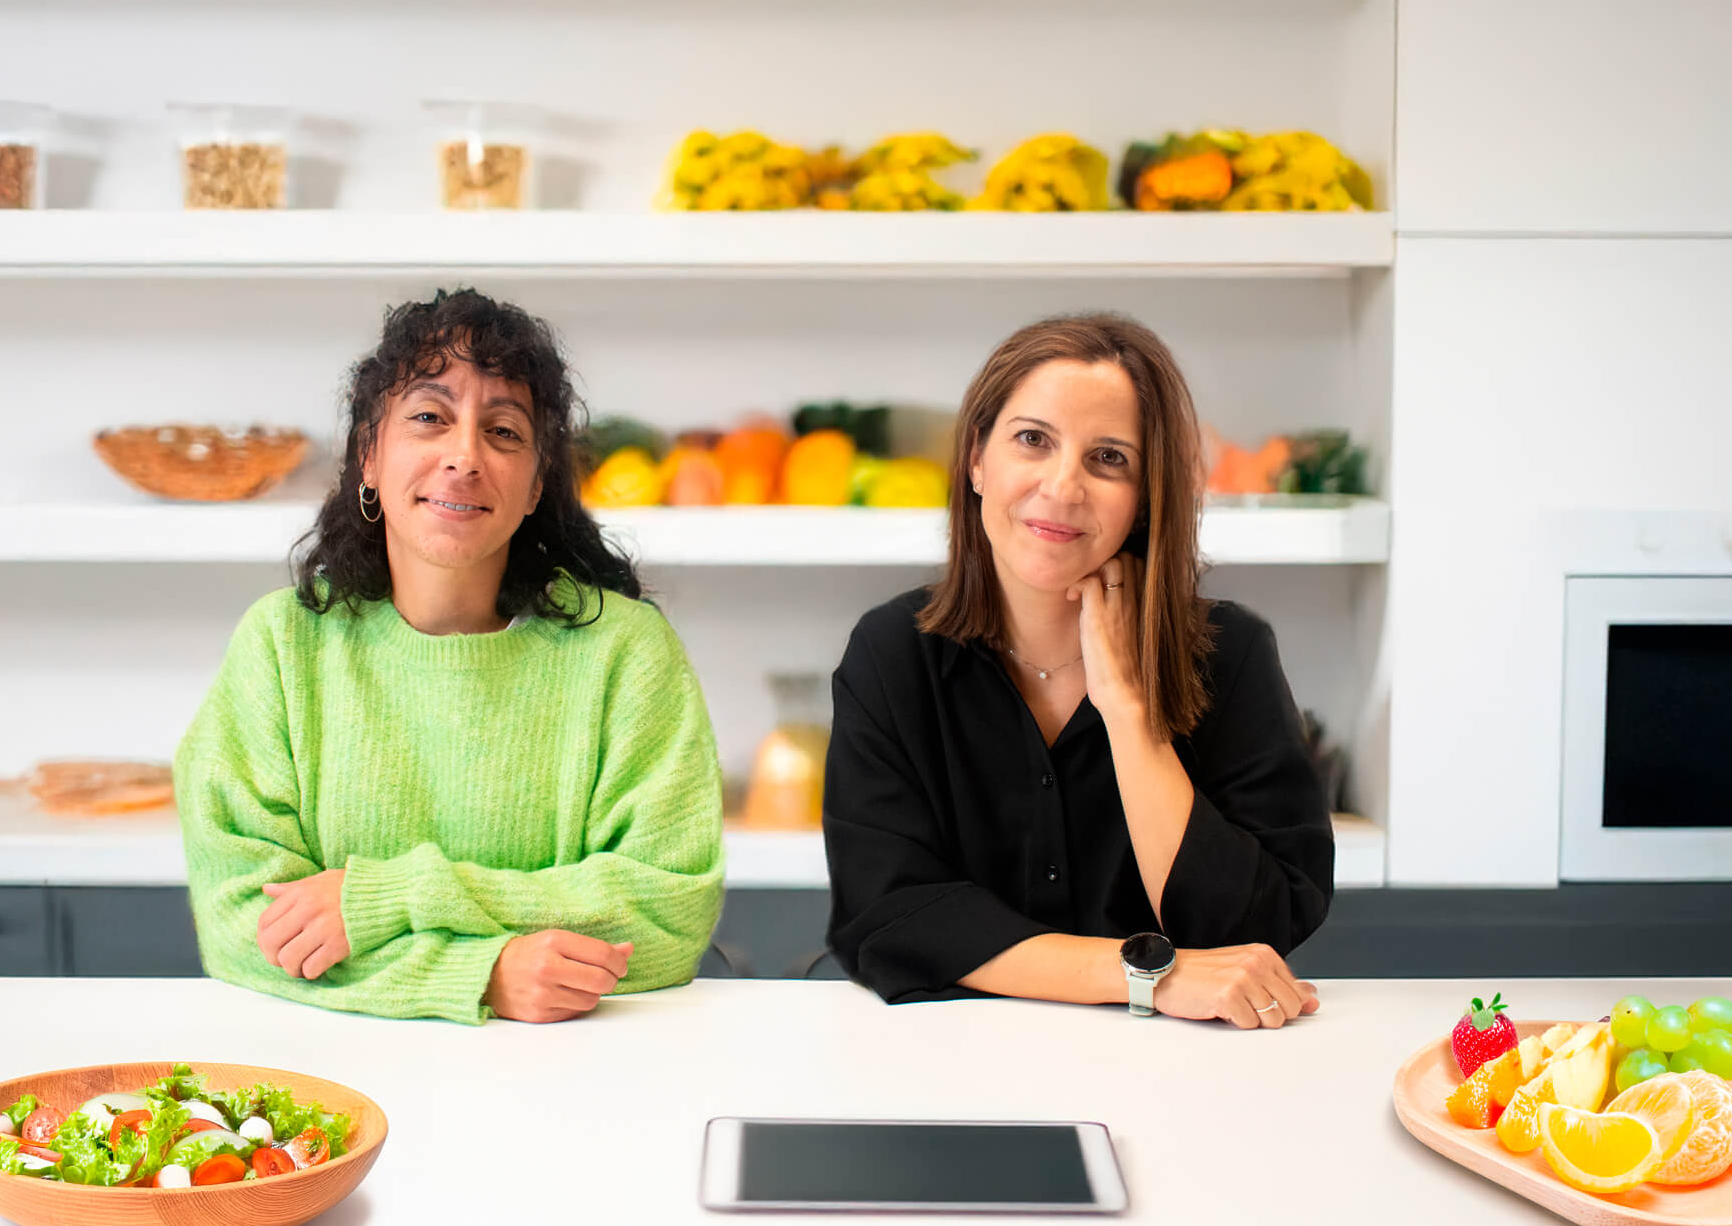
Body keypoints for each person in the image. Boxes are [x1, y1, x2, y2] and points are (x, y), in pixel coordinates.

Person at [175, 287, 724, 1025]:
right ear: (369, 456)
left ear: (536, 486)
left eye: (503, 432)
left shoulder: (625, 652)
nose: (464, 456)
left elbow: (666, 920)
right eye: (430, 418)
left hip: (572, 1085)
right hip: (333, 1083)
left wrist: (386, 897)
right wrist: (480, 974)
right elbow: (245, 926)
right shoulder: (282, 646)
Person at [823, 313, 1334, 1028]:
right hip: (952, 1060)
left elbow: (1257, 924)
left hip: (1181, 1074)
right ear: (976, 459)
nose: (1062, 488)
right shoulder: (892, 654)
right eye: (1033, 440)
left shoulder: (1232, 654)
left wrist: (1129, 713)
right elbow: (888, 917)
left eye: (1109, 459)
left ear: (1147, 497)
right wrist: (1147, 974)